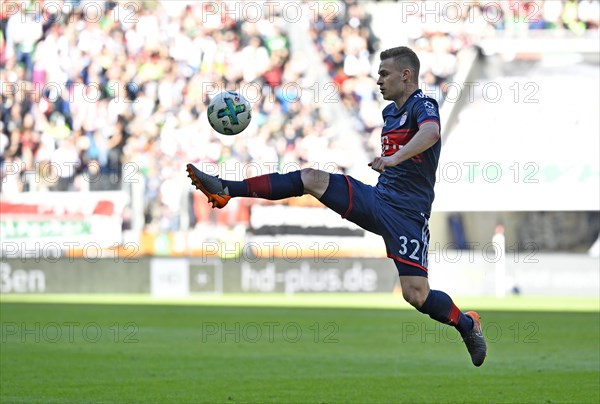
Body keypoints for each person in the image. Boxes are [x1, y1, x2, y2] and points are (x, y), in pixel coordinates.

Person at [187, 46, 487, 366]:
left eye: (384, 74)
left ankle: (467, 324)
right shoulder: (389, 113)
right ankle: (225, 189)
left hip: (408, 215)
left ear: (406, 74)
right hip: (377, 199)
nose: (379, 80)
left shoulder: (422, 104)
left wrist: (395, 158)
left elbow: (431, 133)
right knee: (311, 178)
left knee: (416, 295)